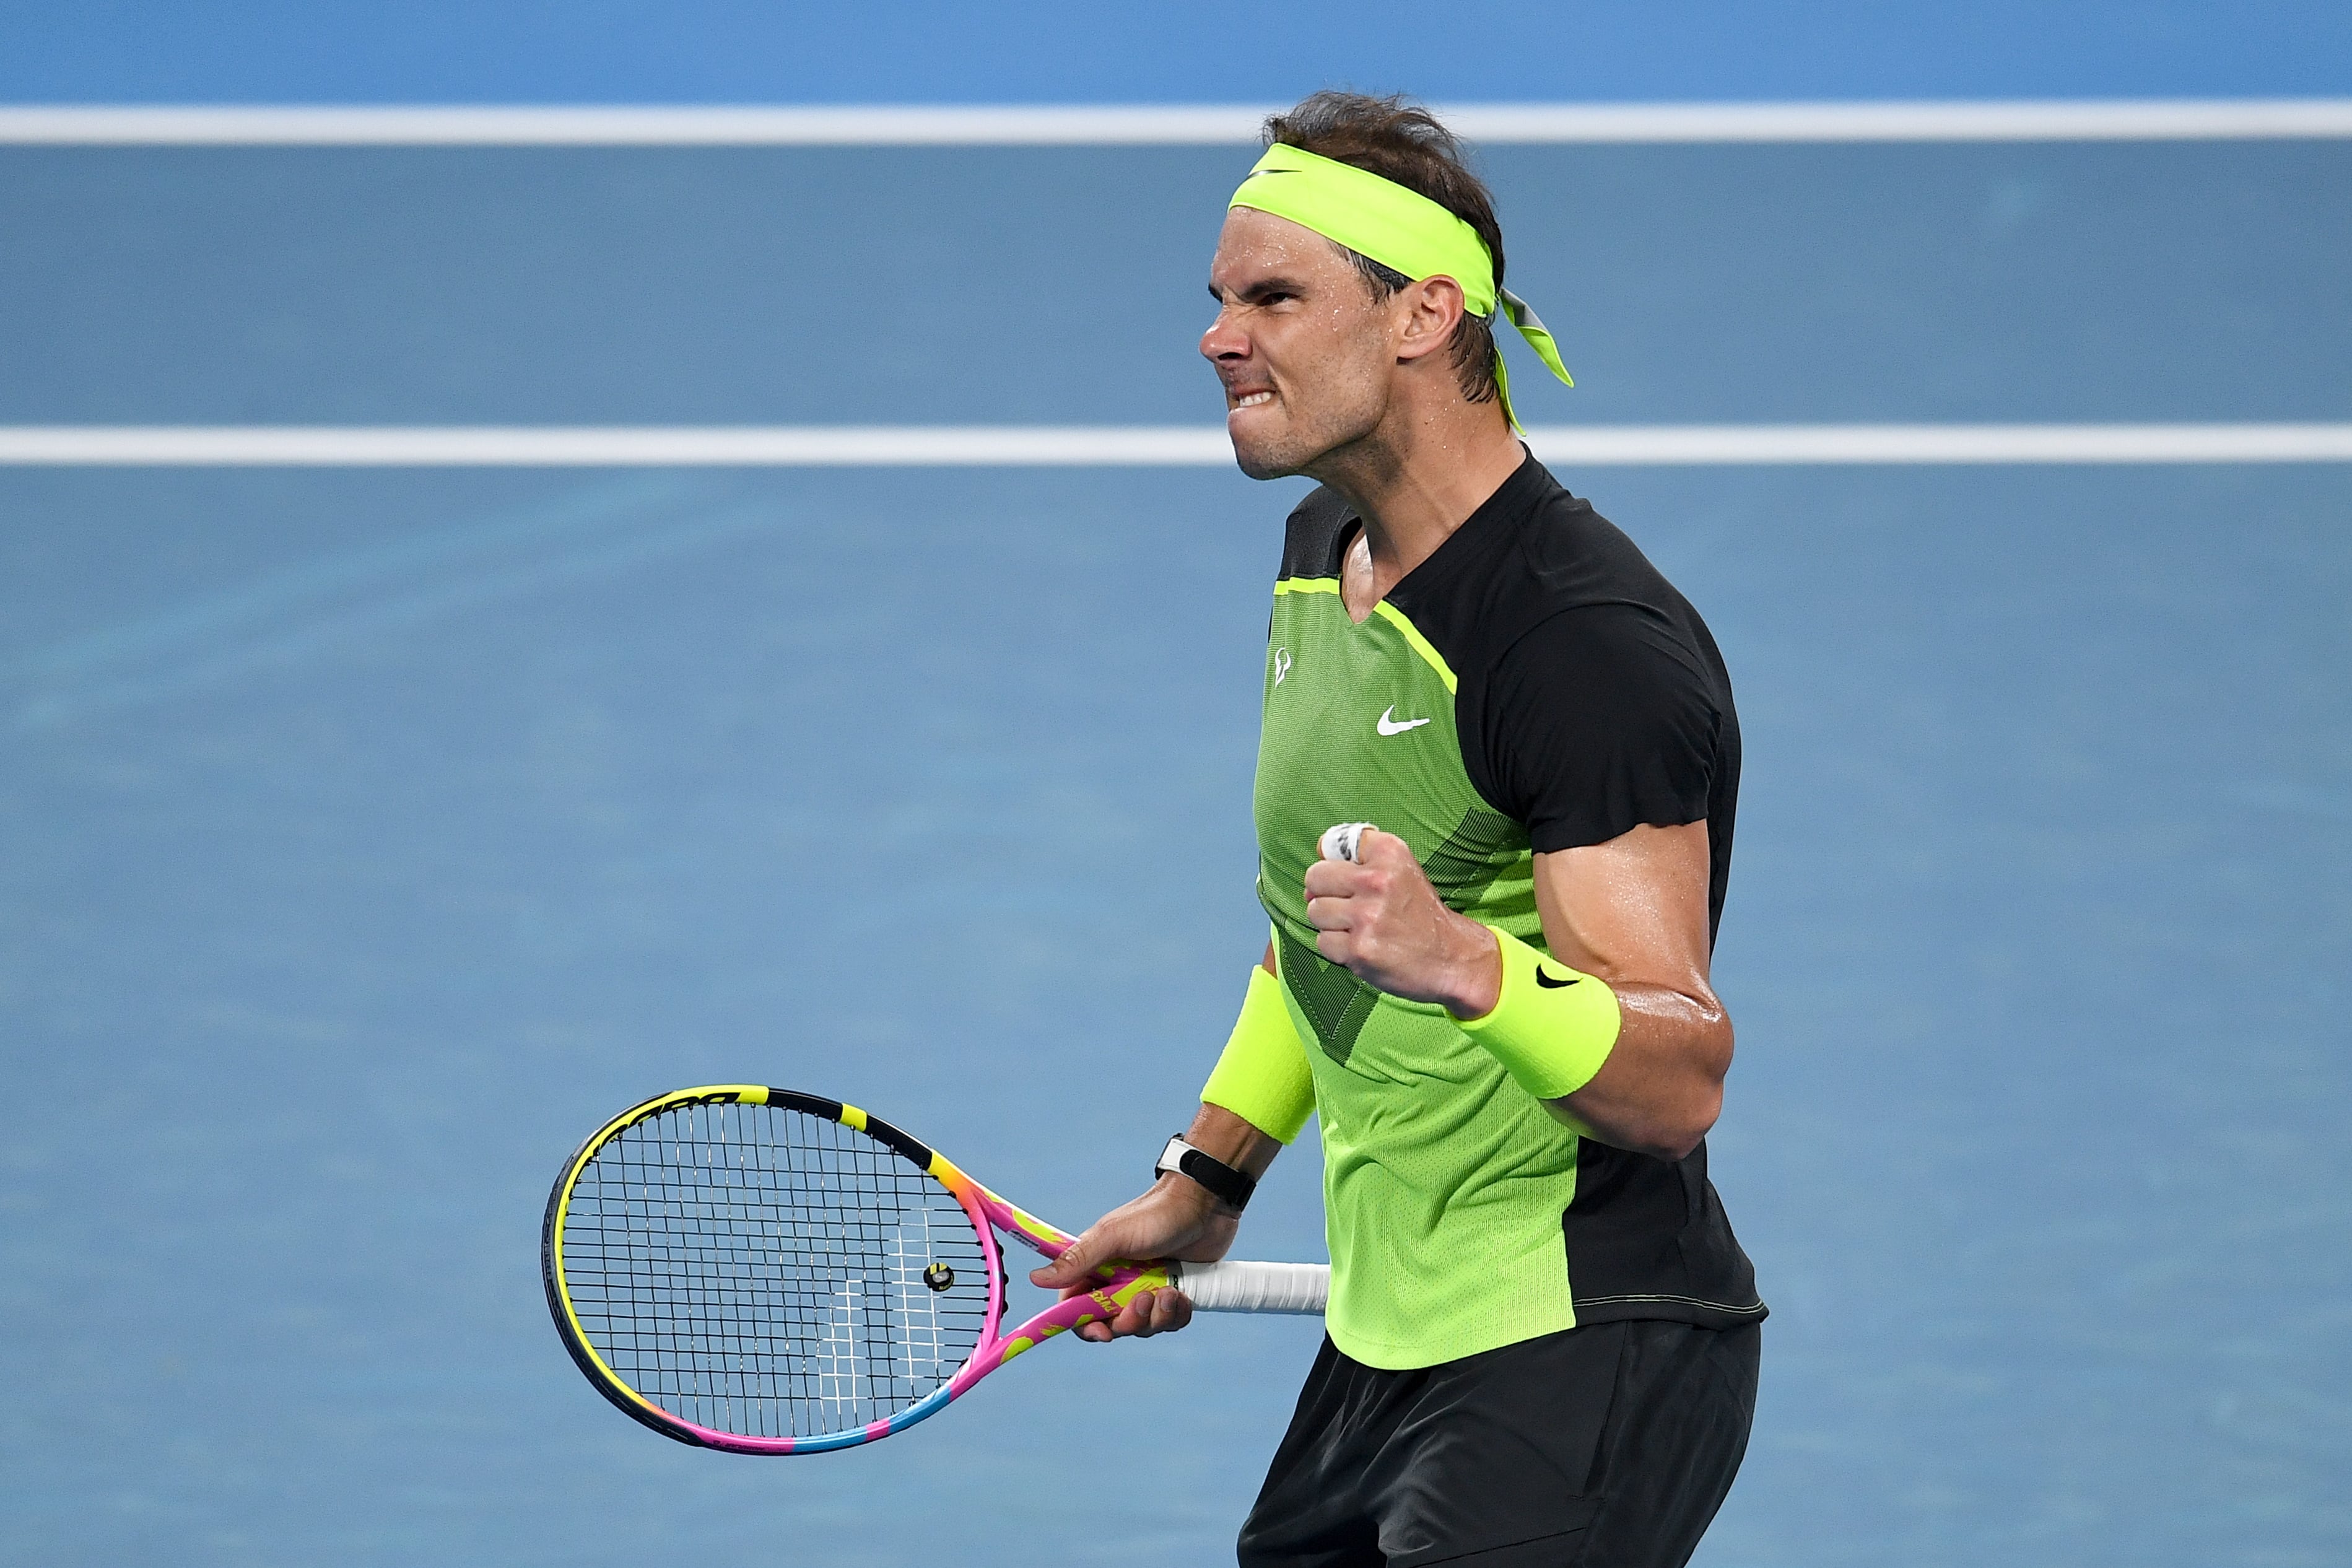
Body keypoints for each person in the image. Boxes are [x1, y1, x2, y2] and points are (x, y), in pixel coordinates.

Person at [1030, 91, 1764, 1568]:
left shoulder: (1582, 646)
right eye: (1221, 301)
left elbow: (1680, 1074)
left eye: (1275, 298)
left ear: (1426, 312)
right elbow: (1322, 938)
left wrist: (1474, 970)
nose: (1219, 338)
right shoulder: (1324, 559)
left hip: (1581, 1334)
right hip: (1390, 1334)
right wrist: (1209, 1182)